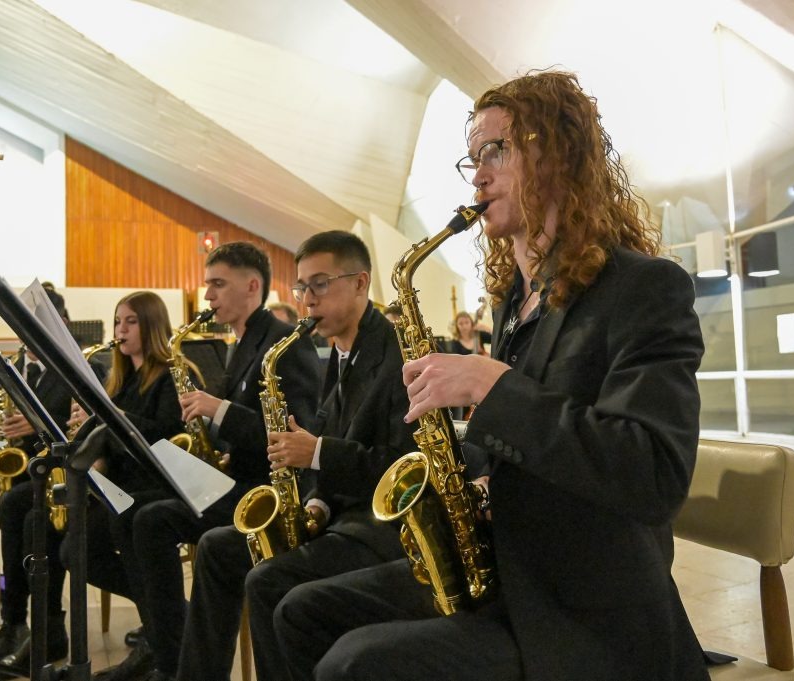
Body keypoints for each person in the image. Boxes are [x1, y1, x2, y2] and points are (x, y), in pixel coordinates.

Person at [273, 69, 708, 681]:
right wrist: (476, 481)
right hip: (509, 570)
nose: (477, 175)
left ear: (557, 154)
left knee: (355, 663)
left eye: (496, 151)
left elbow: (652, 474)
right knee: (300, 612)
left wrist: (489, 385)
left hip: (586, 604)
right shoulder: (514, 302)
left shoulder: (643, 287)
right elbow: (518, 446)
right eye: (472, 159)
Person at [175, 231, 417, 681]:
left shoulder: (398, 353)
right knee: (218, 548)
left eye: (320, 284)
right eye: (302, 287)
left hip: (381, 529)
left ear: (361, 283)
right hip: (336, 514)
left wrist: (316, 453)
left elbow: (405, 466)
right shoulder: (340, 351)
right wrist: (316, 502)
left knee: (266, 580)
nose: (307, 299)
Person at [99, 242, 320, 681]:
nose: (207, 296)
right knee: (130, 512)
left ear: (252, 286)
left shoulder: (283, 344)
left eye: (218, 284)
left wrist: (218, 410)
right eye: (208, 285)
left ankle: (171, 656)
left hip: (269, 493)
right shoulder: (244, 342)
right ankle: (164, 644)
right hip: (237, 478)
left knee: (151, 520)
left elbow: (298, 431)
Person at [0, 287, 108, 676]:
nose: (26, 336)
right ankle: (16, 621)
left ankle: (46, 624)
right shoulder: (17, 368)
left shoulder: (83, 365)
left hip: (66, 470)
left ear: (60, 325)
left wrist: (37, 424)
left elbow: (90, 423)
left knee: (30, 516)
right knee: (14, 507)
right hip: (30, 470)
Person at [57, 291, 185, 657]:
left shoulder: (173, 375)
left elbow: (167, 436)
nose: (120, 330)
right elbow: (110, 442)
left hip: (155, 486)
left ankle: (163, 623)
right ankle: (166, 611)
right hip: (120, 485)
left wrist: (110, 418)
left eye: (131, 321)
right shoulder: (120, 379)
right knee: (72, 550)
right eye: (117, 321)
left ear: (152, 326)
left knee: (89, 543)